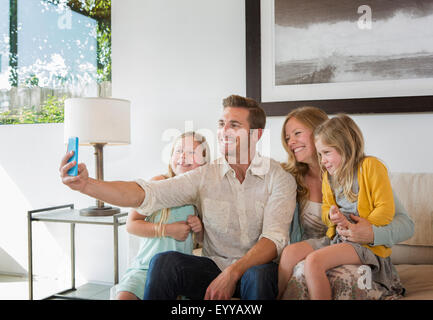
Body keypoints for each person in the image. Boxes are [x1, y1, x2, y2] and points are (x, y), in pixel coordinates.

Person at [60, 94, 297, 300]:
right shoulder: (205, 175)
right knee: (164, 262)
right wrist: (87, 185)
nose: (224, 131)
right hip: (213, 266)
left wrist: (232, 273)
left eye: (233, 125)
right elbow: (146, 193)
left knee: (259, 274)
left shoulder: (279, 178)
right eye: (221, 123)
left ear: (256, 134)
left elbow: (273, 240)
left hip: (254, 270)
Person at [278, 107, 414, 299]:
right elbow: (328, 213)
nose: (290, 142)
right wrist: (333, 217)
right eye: (287, 137)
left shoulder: (368, 169)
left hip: (357, 245)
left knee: (313, 264)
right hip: (332, 240)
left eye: (297, 133)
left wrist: (368, 231)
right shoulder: (289, 178)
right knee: (291, 254)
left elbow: (401, 220)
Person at [112, 131, 209, 300]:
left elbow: (203, 241)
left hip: (179, 273)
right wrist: (167, 230)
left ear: (204, 162)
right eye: (178, 151)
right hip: (144, 269)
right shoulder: (158, 183)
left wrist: (199, 229)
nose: (183, 157)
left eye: (191, 153)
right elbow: (131, 224)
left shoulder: (201, 194)